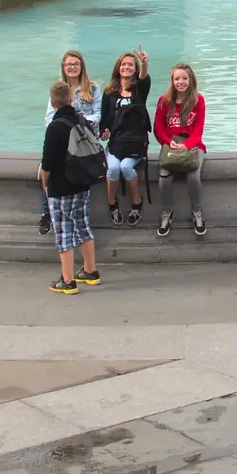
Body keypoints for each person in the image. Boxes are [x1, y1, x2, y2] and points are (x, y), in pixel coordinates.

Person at [40, 81, 99, 294]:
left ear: (53, 102)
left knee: (63, 230)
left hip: (61, 185)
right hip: (82, 181)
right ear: (71, 99)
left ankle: (67, 280)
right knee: (83, 224)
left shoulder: (55, 127)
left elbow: (47, 162)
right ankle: (90, 271)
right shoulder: (81, 120)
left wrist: (45, 182)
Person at [38, 50, 102, 235]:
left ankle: (82, 215)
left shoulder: (93, 88)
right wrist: (67, 125)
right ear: (63, 68)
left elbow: (98, 115)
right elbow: (49, 118)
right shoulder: (58, 89)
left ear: (82, 66)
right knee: (45, 168)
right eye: (69, 64)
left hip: (85, 141)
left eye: (76, 64)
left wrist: (81, 119)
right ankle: (46, 212)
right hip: (62, 140)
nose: (72, 67)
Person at [152, 63, 207, 238]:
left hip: (192, 145)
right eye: (177, 78)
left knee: (193, 176)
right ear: (172, 80)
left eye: (184, 78)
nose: (181, 82)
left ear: (191, 80)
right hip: (170, 146)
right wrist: (169, 142)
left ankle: (197, 212)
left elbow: (198, 131)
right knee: (164, 180)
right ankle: (167, 213)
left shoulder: (198, 101)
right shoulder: (164, 101)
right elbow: (158, 129)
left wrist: (187, 145)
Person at [99, 48, 151, 226]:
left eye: (131, 64)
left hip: (135, 143)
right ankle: (112, 203)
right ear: (118, 68)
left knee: (126, 167)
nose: (127, 67)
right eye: (124, 64)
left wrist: (144, 63)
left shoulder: (139, 91)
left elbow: (144, 79)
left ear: (135, 69)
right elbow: (104, 119)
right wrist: (104, 132)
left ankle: (137, 202)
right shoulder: (109, 93)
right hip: (116, 143)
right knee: (113, 169)